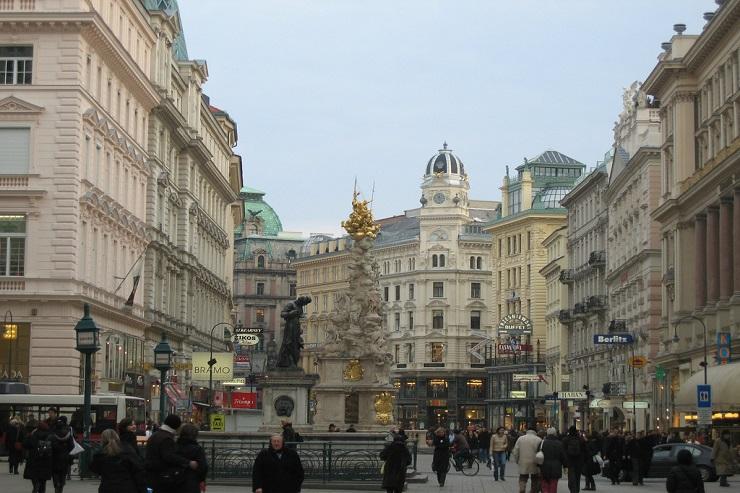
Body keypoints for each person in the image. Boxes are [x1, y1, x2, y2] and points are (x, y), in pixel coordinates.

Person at [144, 414, 198, 493]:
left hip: (151, 475)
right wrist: (188, 462)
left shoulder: (155, 435)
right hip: (162, 477)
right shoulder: (167, 439)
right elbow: (169, 456)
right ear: (175, 426)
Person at [89, 429, 145, 493]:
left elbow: (94, 469)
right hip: (127, 487)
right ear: (117, 437)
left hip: (107, 487)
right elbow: (138, 470)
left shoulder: (100, 454)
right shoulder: (127, 449)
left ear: (103, 440)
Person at [176, 424, 208, 493]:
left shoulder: (174, 447)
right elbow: (203, 467)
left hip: (175, 481)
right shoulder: (197, 449)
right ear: (195, 435)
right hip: (192, 482)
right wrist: (202, 480)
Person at [23, 421, 54, 493]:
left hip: (34, 460)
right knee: (43, 481)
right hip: (45, 461)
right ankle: (41, 490)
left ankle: (36, 485)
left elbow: (25, 444)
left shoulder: (33, 435)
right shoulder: (50, 436)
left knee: (35, 477)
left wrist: (29, 436)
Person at [512, 425, 542, 493]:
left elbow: (515, 451)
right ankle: (533, 491)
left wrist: (517, 460)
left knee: (523, 477)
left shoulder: (520, 438)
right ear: (535, 431)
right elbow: (541, 453)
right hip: (535, 462)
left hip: (523, 461)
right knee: (535, 478)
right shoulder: (538, 439)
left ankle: (522, 489)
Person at [49, 417, 74, 493]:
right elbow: (72, 446)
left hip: (54, 458)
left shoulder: (52, 434)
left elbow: (49, 446)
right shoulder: (68, 434)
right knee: (63, 473)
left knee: (55, 472)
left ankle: (56, 484)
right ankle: (61, 486)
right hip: (65, 458)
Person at [540, 427, 568, 493]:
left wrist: (538, 466)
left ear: (547, 434)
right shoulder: (559, 444)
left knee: (544, 484)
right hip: (556, 467)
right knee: (553, 485)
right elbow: (563, 456)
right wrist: (565, 466)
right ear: (555, 434)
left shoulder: (542, 443)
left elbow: (538, 455)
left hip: (544, 467)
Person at [562, 426, 586, 493]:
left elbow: (563, 451)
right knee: (577, 477)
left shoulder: (565, 439)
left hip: (570, 461)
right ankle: (576, 490)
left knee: (571, 477)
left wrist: (564, 463)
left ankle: (573, 490)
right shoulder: (581, 439)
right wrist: (583, 461)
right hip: (579, 462)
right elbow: (585, 451)